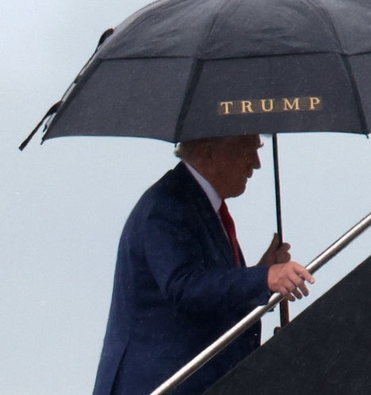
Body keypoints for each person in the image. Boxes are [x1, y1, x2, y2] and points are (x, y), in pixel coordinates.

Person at [92, 134, 314, 395]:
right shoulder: (166, 205)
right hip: (160, 384)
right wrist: (264, 278)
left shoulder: (195, 203)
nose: (256, 164)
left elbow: (210, 297)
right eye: (248, 151)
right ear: (209, 154)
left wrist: (259, 273)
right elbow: (183, 287)